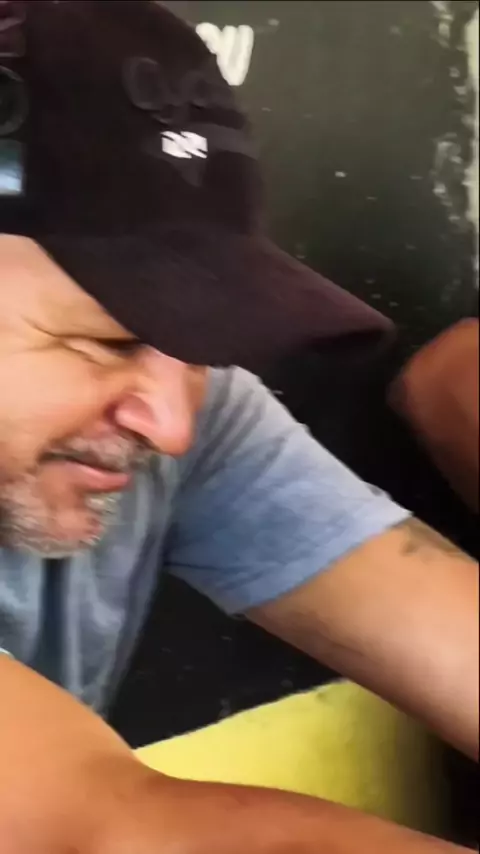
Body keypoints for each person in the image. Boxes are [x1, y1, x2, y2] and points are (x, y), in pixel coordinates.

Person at [0, 2, 477, 852]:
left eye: (196, 338)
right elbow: (109, 831)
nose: (172, 427)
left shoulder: (194, 404)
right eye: (107, 343)